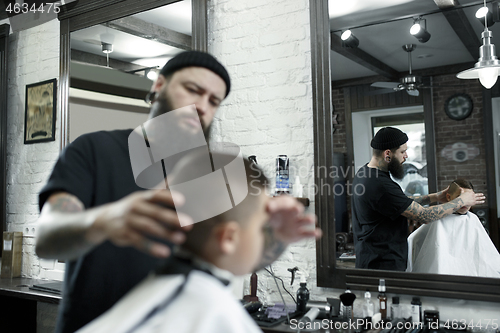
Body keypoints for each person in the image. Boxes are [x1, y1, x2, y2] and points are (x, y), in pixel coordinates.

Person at [35, 51, 321, 333]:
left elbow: (226, 253)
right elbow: (47, 238)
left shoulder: (208, 177)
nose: (202, 106)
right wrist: (106, 220)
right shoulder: (94, 150)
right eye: (193, 90)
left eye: (214, 101)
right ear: (158, 86)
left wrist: (277, 239)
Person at [77, 152, 270, 333]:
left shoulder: (155, 291)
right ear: (228, 238)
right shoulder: (217, 313)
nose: (267, 237)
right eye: (263, 228)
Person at [352, 127, 485, 271]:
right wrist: (461, 200)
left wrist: (435, 197)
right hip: (382, 265)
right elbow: (425, 215)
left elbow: (400, 202)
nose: (406, 156)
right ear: (388, 154)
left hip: (371, 258)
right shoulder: (380, 184)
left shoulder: (365, 172)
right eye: (402, 151)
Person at [407, 179, 500, 277]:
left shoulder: (473, 219)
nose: (465, 203)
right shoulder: (438, 220)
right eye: (461, 198)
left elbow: (485, 254)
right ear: (449, 197)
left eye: (468, 198)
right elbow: (415, 241)